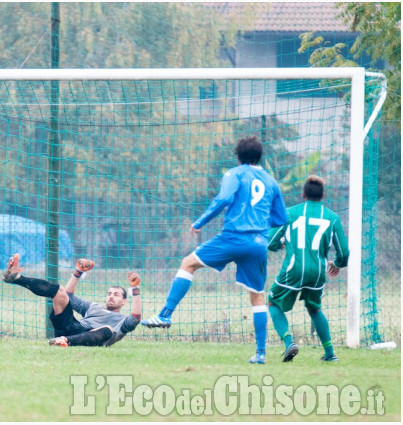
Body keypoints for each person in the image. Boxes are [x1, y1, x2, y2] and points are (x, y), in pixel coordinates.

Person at [141, 136, 288, 364]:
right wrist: (258, 229)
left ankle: (165, 315)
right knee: (257, 297)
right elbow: (281, 218)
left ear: (238, 157)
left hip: (232, 237)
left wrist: (199, 222)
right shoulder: (271, 181)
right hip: (258, 244)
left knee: (188, 264)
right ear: (260, 157)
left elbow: (224, 198)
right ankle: (260, 353)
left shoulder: (234, 173)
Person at [267, 175, 349, 363]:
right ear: (323, 195)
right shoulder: (332, 218)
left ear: (303, 194)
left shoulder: (289, 213)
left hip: (293, 269)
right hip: (318, 272)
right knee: (314, 308)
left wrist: (281, 244)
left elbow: (270, 242)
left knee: (272, 303)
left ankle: (289, 342)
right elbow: (344, 253)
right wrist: (336, 264)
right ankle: (330, 354)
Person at [2, 253, 142, 347]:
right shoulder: (94, 307)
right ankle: (16, 277)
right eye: (109, 293)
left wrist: (135, 289)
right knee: (60, 291)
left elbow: (136, 317)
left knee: (108, 330)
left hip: (91, 337)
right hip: (72, 327)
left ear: (124, 301)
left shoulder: (123, 321)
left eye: (116, 295)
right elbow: (69, 295)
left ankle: (65, 341)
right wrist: (78, 272)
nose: (111, 296)